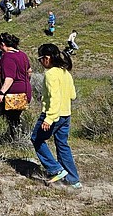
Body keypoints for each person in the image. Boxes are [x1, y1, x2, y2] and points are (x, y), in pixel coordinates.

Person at [31, 43, 81, 188]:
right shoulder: (65, 72)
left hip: (53, 115)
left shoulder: (51, 74)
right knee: (62, 145)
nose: (40, 62)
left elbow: (55, 97)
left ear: (47, 58)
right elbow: (72, 95)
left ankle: (55, 170)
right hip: (66, 115)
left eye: (41, 58)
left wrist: (49, 118)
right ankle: (73, 180)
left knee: (36, 138)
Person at [0, 32, 32, 138]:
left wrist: (1, 93)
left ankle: (13, 138)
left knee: (10, 119)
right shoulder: (22, 55)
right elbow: (29, 71)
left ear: (3, 44)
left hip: (12, 95)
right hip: (24, 91)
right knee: (15, 117)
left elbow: (10, 78)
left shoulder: (8, 57)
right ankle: (18, 136)